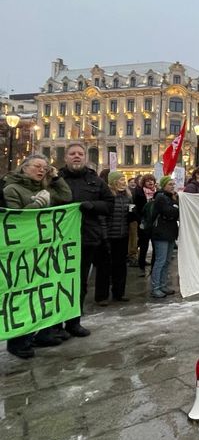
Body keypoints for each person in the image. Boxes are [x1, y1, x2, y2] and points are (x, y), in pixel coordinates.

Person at [3, 154, 73, 358]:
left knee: (43, 290)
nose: (41, 170)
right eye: (37, 166)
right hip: (23, 253)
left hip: (44, 249)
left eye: (45, 167)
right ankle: (18, 341)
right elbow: (13, 222)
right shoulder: (12, 189)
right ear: (24, 168)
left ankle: (43, 332)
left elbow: (66, 197)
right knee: (24, 294)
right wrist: (36, 205)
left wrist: (57, 177)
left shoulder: (44, 188)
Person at [58, 143, 114, 337]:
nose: (76, 156)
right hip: (58, 241)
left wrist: (92, 205)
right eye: (72, 153)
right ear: (65, 157)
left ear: (85, 157)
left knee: (80, 282)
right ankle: (55, 325)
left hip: (87, 238)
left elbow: (109, 204)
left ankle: (74, 322)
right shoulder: (55, 179)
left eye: (80, 154)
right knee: (58, 281)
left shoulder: (95, 181)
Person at [97, 171, 132, 304]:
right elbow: (102, 218)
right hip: (109, 236)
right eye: (121, 179)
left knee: (121, 266)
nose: (124, 181)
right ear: (114, 182)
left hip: (122, 236)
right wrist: (104, 236)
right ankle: (102, 296)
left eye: (124, 179)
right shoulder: (108, 196)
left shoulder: (128, 196)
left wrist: (132, 215)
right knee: (105, 267)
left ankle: (119, 293)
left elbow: (128, 215)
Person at [150, 176, 180, 298]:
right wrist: (175, 208)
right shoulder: (161, 197)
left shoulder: (171, 197)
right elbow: (170, 212)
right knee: (160, 261)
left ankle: (163, 285)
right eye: (169, 184)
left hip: (170, 232)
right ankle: (155, 287)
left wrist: (175, 207)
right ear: (163, 185)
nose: (172, 186)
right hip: (161, 233)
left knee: (167, 261)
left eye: (173, 184)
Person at [133, 174, 156, 277]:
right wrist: (140, 220)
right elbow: (136, 208)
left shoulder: (156, 192)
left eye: (152, 180)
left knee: (155, 244)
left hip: (154, 222)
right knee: (144, 244)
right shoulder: (139, 193)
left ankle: (154, 266)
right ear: (144, 183)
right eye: (148, 181)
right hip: (144, 222)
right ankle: (141, 263)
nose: (150, 182)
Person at [126, 176, 139, 266]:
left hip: (134, 217)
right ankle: (130, 256)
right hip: (128, 218)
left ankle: (132, 255)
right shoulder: (127, 192)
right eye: (131, 182)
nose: (133, 183)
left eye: (134, 182)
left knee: (134, 237)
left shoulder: (137, 191)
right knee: (131, 238)